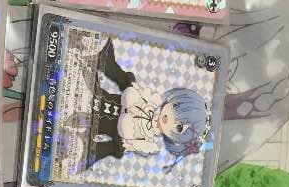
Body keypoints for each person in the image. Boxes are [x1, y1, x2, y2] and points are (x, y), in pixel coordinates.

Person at [85, 40, 209, 170]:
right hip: (103, 98)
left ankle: (89, 151)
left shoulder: (149, 143)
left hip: (102, 125)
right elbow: (133, 91)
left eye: (179, 127)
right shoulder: (153, 101)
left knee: (111, 145)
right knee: (124, 82)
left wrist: (122, 143)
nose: (170, 118)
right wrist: (132, 88)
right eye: (175, 106)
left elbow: (128, 141)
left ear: (177, 140)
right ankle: (105, 62)